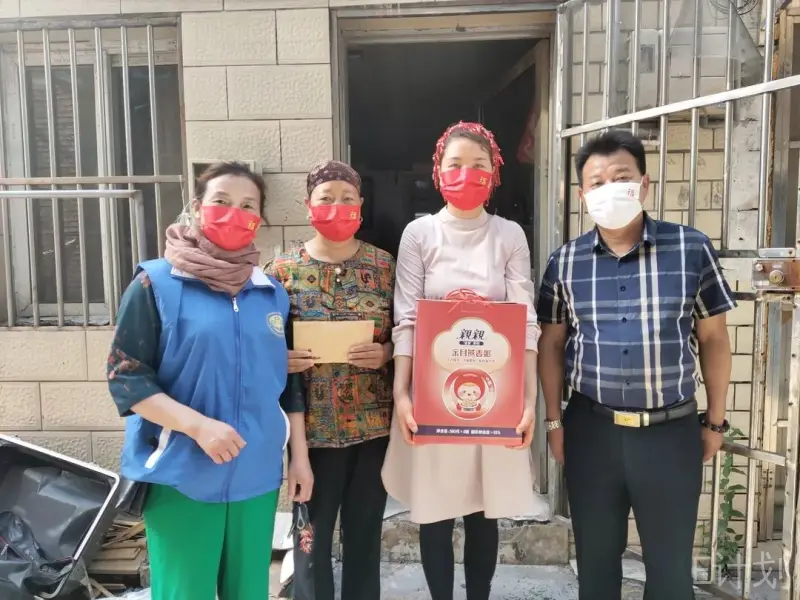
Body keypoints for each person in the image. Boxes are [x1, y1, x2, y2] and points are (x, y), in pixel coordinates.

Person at [537, 129, 735, 600]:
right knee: (595, 569)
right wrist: (554, 421)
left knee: (670, 574)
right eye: (597, 182)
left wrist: (716, 421)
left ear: (643, 184)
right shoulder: (565, 262)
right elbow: (551, 345)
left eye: (621, 177)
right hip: (592, 432)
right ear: (583, 195)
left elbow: (713, 338)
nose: (610, 189)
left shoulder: (690, 248)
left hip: (670, 434)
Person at [107, 161, 291, 600]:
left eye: (248, 205)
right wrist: (198, 426)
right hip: (182, 473)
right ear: (196, 207)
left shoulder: (271, 293)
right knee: (184, 592)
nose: (235, 213)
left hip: (256, 474)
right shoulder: (156, 283)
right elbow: (126, 377)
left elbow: (280, 380)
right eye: (221, 201)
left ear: (260, 218)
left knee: (249, 592)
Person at [381, 122, 540, 600]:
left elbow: (525, 320)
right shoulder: (420, 234)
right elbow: (407, 317)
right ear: (438, 171)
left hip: (493, 396)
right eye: (455, 164)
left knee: (481, 510)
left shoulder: (509, 235)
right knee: (435, 510)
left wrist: (528, 400)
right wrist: (402, 394)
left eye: (478, 165)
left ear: (494, 173)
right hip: (433, 395)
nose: (466, 174)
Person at [265, 160, 396, 600]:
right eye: (326, 198)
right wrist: (280, 360)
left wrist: (385, 352)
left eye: (347, 198)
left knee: (365, 537)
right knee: (310, 540)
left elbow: (407, 335)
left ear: (361, 205)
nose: (337, 206)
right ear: (308, 206)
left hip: (373, 429)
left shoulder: (384, 266)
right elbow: (261, 345)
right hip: (311, 434)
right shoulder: (281, 271)